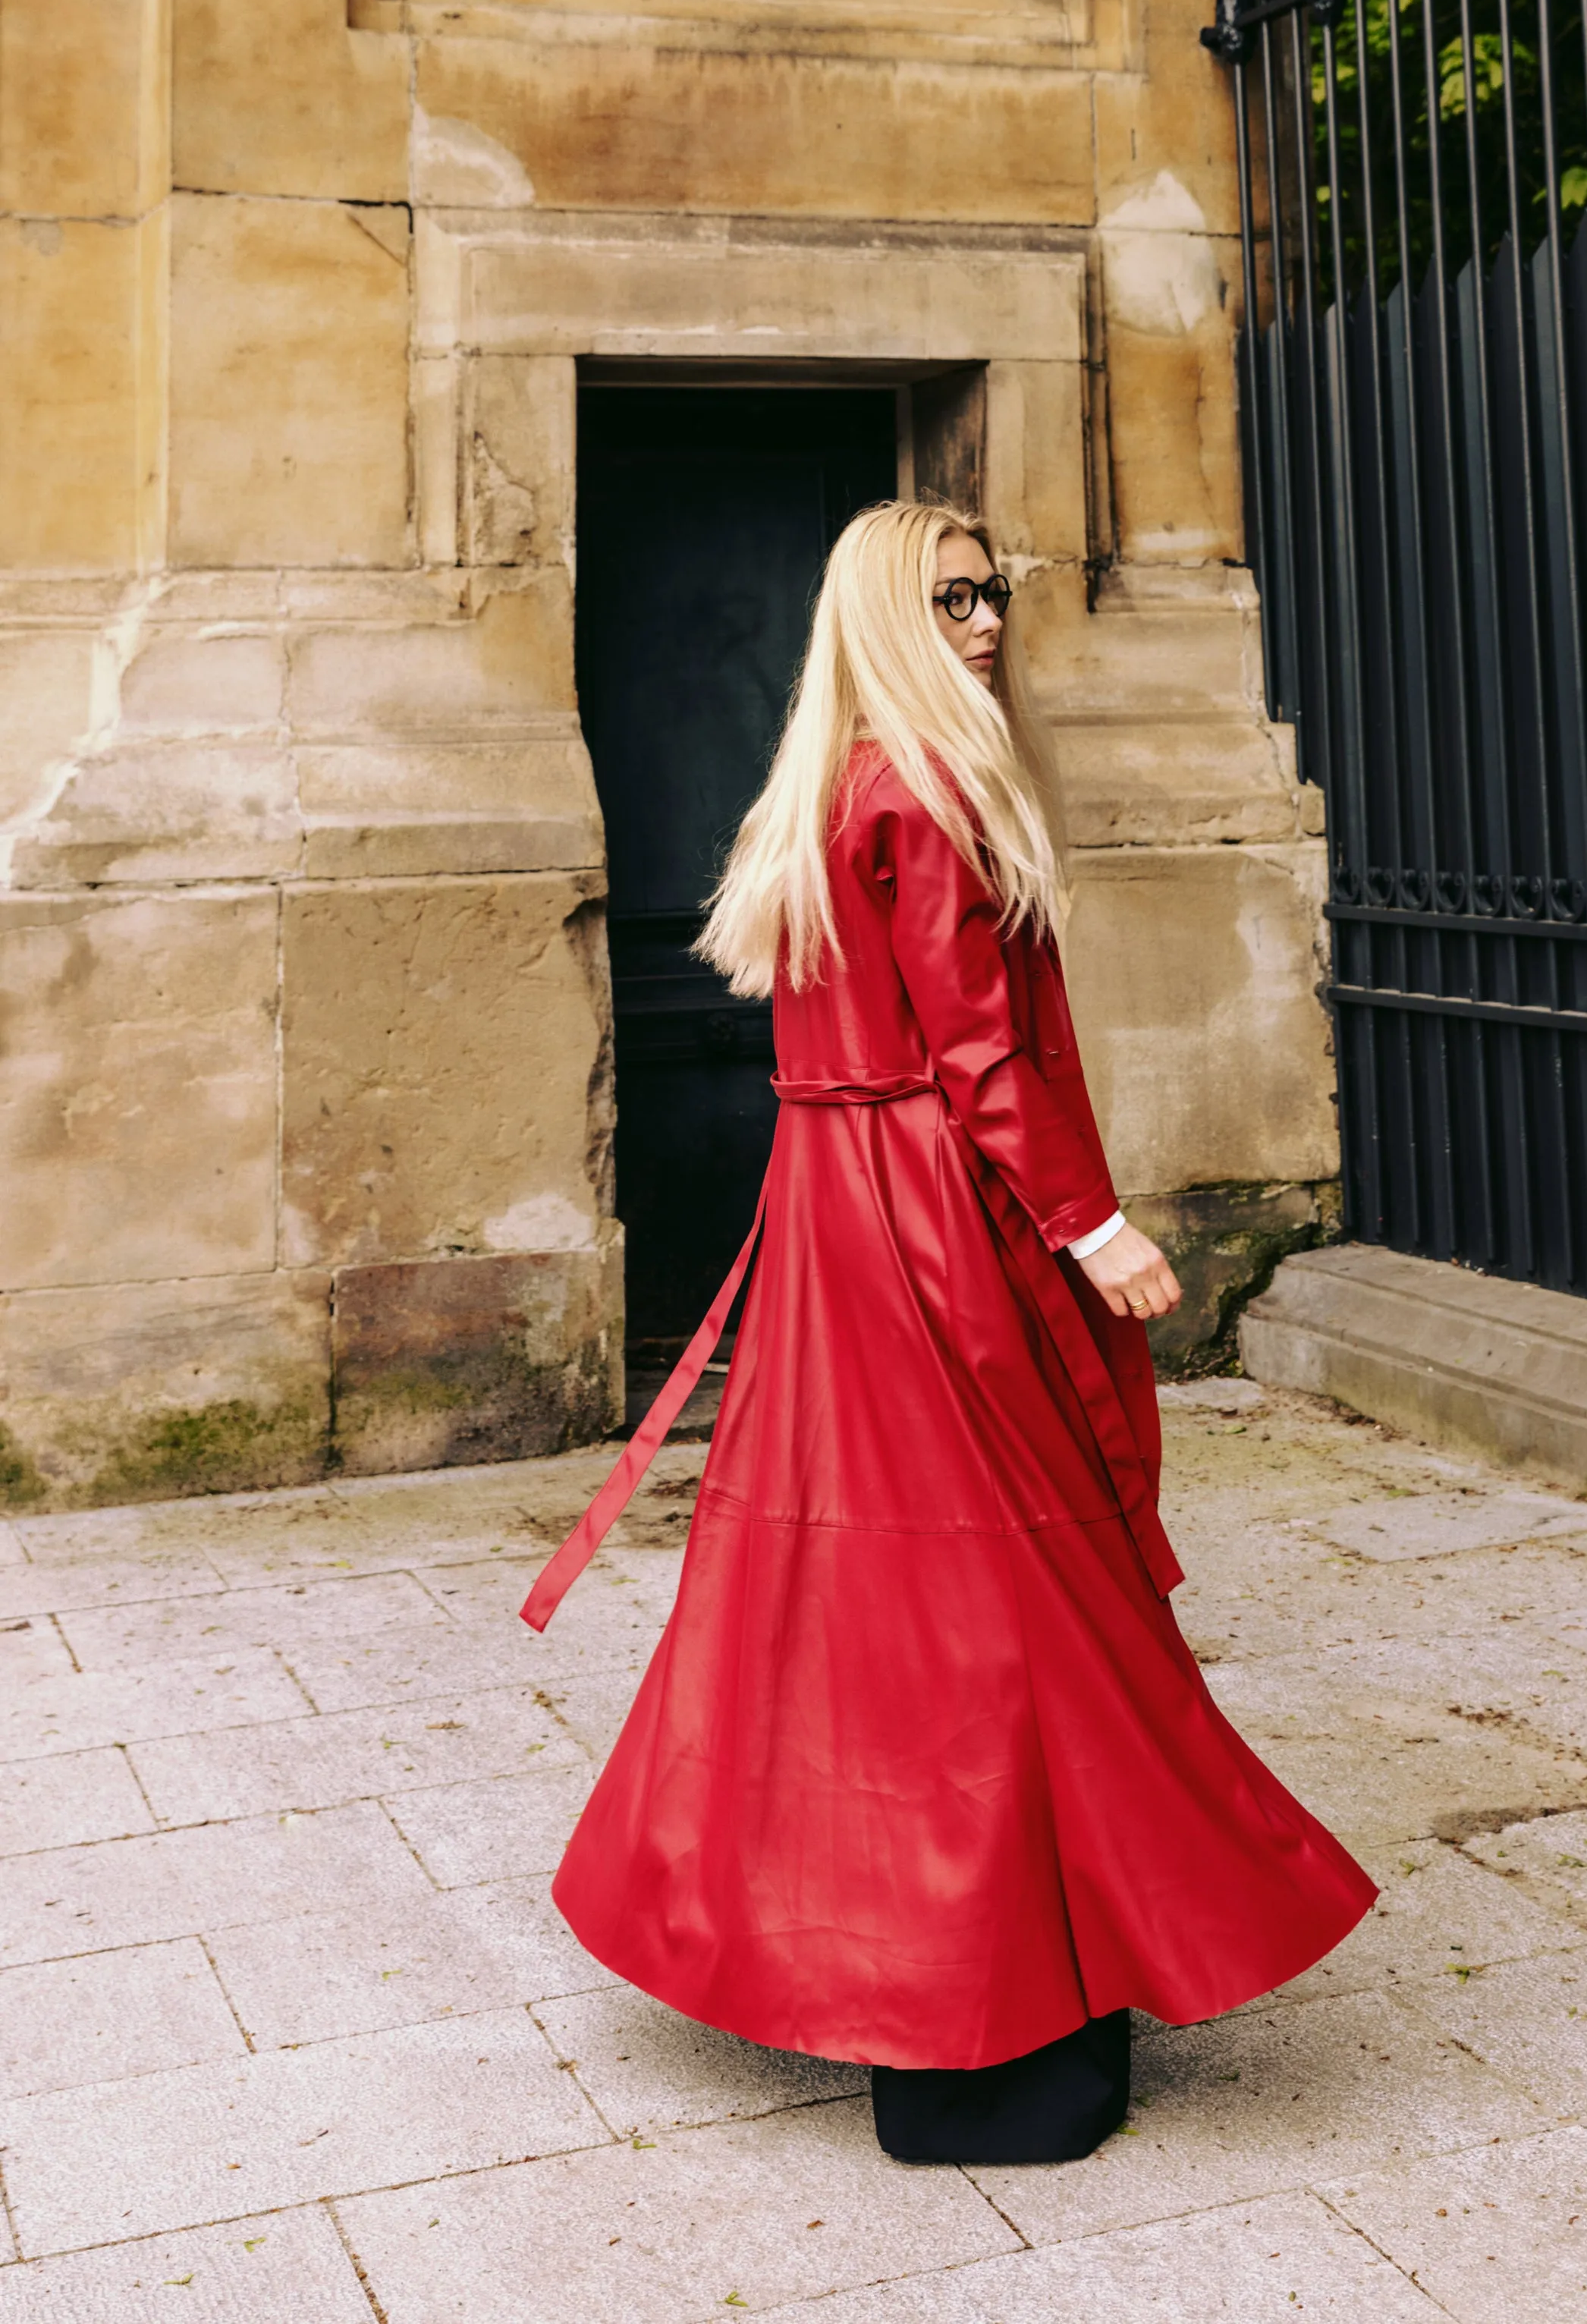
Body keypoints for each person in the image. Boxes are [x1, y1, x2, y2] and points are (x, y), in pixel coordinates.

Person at [522, 499, 1375, 2163]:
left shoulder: (839, 778)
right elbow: (978, 1051)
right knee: (993, 1586)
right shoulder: (924, 786)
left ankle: (933, 1978)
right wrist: (1096, 1223)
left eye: (996, 589)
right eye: (953, 596)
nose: (987, 620)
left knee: (862, 1588)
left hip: (843, 1200)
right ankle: (984, 2002)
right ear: (885, 613)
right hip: (924, 1216)